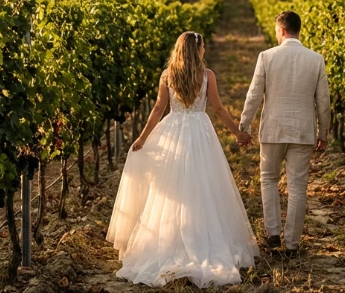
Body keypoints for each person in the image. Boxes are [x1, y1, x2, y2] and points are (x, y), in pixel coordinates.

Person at [106, 31, 258, 287]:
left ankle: (170, 240)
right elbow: (219, 109)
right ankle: (200, 238)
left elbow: (158, 109)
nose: (205, 50)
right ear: (197, 49)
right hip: (200, 131)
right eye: (203, 47)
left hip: (173, 130)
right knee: (201, 187)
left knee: (172, 188)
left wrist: (143, 138)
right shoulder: (207, 76)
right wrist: (238, 133)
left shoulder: (167, 75)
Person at [239, 11, 330, 255]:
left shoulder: (266, 56)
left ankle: (273, 234)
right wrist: (324, 132)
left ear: (281, 30)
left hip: (273, 130)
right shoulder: (316, 59)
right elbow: (323, 100)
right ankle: (292, 244)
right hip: (303, 131)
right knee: (298, 187)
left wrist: (244, 126)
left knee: (268, 180)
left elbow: (254, 94)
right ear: (298, 30)